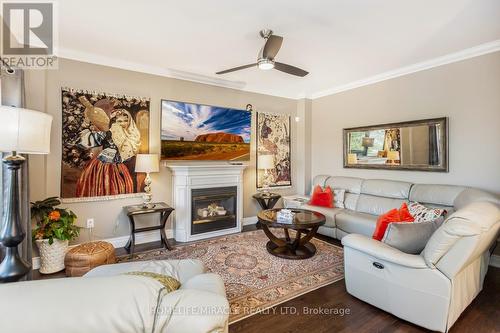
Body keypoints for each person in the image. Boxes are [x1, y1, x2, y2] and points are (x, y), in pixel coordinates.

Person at [75, 105, 141, 197]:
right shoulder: (107, 134)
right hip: (102, 167)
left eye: (126, 121)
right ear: (115, 123)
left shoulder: (131, 137)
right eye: (120, 121)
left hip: (120, 168)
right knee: (102, 189)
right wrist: (86, 125)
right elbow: (84, 142)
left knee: (122, 190)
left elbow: (128, 154)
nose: (123, 123)